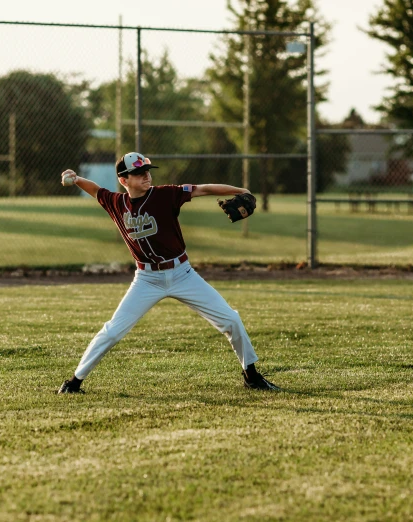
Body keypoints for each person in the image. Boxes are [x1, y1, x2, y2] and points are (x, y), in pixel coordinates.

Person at [57, 152, 280, 394]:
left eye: (148, 171)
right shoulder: (116, 203)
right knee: (112, 331)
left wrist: (241, 190)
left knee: (231, 320)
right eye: (138, 173)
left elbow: (203, 189)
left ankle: (252, 375)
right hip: (146, 280)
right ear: (124, 180)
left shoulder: (165, 195)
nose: (146, 175)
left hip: (182, 274)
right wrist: (76, 178)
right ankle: (73, 383)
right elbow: (95, 189)